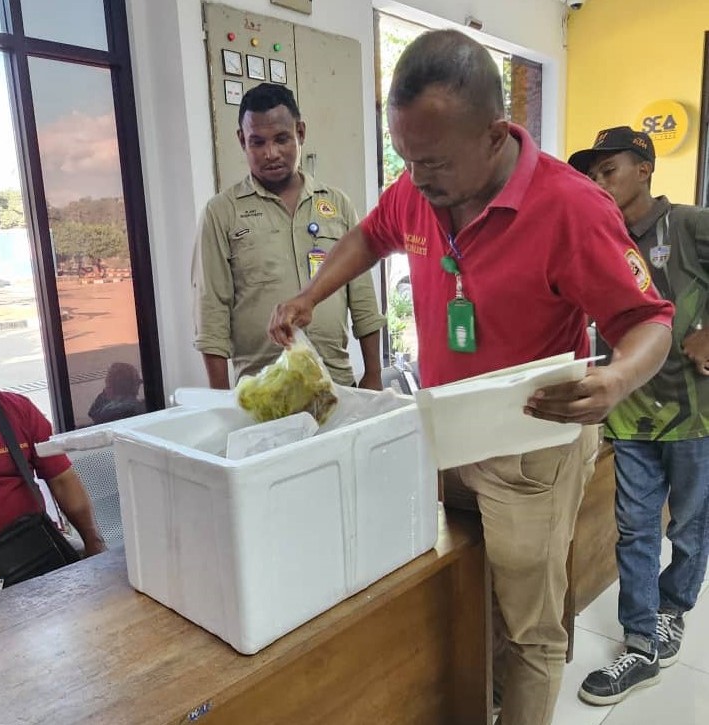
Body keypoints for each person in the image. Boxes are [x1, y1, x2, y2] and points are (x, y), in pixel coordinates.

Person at [269, 30, 674, 725]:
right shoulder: (419, 187)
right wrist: (313, 292)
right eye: (406, 158)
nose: (417, 177)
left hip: (528, 450)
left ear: (493, 134)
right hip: (443, 433)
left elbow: (651, 322)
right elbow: (371, 233)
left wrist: (611, 382)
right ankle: (481, 693)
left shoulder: (571, 208)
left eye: (433, 161)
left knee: (530, 626)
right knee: (454, 585)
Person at [568, 126, 709, 705]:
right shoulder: (600, 237)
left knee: (690, 524)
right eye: (592, 175)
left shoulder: (691, 225)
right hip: (628, 415)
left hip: (692, 410)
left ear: (645, 168)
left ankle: (675, 606)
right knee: (635, 527)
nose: (599, 183)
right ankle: (642, 639)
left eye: (609, 171)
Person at [191, 83, 385, 390]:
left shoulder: (337, 204)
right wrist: (221, 400)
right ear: (242, 141)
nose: (271, 154)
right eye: (257, 142)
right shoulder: (221, 213)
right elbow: (211, 311)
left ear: (300, 132)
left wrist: (373, 373)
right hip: (262, 392)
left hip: (337, 385)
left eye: (282, 139)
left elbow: (362, 298)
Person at [0, 389, 106, 569]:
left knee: (109, 575)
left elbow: (62, 481)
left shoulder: (15, 409)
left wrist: (93, 542)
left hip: (37, 544)